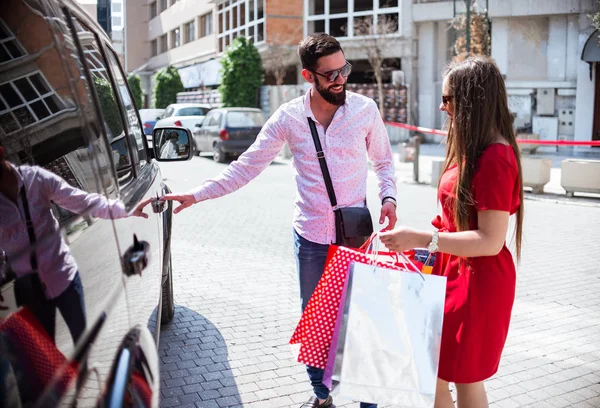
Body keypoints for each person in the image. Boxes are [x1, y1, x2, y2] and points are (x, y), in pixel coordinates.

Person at [160, 33, 397, 408]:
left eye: (344, 69)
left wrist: (388, 197)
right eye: (330, 74)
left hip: (358, 238)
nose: (340, 79)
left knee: (360, 321)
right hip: (312, 239)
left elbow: (384, 161)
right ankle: (322, 394)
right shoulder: (289, 118)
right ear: (308, 76)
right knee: (316, 323)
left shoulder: (365, 110)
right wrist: (198, 193)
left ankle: (367, 400)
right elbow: (246, 167)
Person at [380, 56, 524, 408]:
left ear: (472, 100)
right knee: (433, 374)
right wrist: (418, 250)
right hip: (450, 271)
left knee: (464, 377)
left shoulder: (495, 158)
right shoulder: (471, 148)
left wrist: (420, 240)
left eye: (448, 99)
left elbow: (490, 241)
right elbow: (451, 218)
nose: (442, 107)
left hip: (477, 280)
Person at [0, 146, 150, 344]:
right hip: (30, 293)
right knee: (45, 359)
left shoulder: (35, 179)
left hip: (64, 277)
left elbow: (83, 202)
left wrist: (126, 209)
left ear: (1, 152)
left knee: (83, 344)